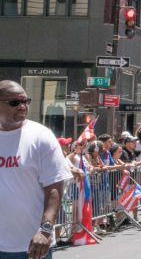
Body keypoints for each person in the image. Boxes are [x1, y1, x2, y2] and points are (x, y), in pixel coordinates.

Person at [0, 80, 73, 259]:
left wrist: (45, 230)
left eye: (26, 101)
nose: (22, 106)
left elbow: (54, 188)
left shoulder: (41, 137)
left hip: (30, 246)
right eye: (14, 102)